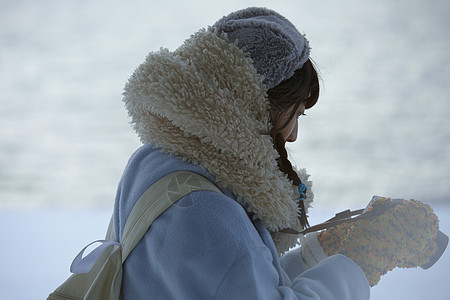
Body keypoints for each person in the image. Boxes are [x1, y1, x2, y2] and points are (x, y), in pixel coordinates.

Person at [116, 7, 439, 299]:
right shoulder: (203, 209)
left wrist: (320, 253)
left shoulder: (153, 163)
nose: (293, 135)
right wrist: (361, 260)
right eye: (294, 114)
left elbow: (226, 284)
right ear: (253, 108)